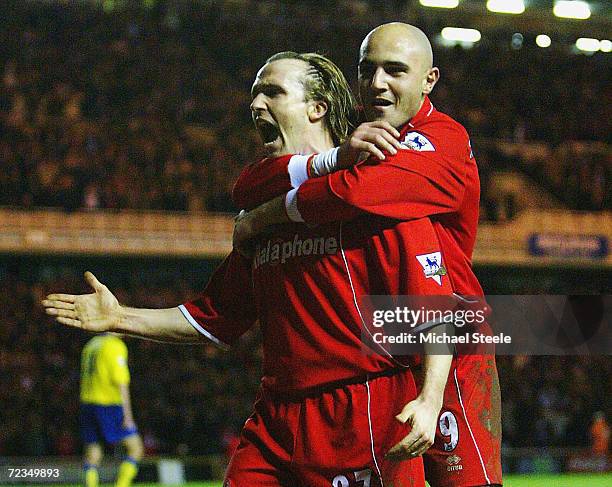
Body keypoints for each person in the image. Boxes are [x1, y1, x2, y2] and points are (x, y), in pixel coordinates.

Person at [43, 51, 454, 486]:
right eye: (255, 93)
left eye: (273, 92)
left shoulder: (376, 191)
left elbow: (434, 309)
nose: (256, 104)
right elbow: (215, 317)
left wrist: (430, 400)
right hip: (276, 418)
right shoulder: (263, 212)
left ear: (317, 108)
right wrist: (120, 317)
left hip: (362, 411)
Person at [233, 23, 502, 487]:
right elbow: (251, 182)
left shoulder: (443, 139)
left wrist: (265, 217)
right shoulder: (354, 129)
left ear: (429, 80)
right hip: (380, 353)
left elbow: (360, 193)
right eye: (367, 70)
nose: (377, 83)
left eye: (395, 71)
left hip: (449, 341)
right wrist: (327, 160)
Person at [79, 333, 144, 487]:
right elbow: (121, 382)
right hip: (108, 404)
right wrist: (127, 415)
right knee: (136, 448)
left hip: (87, 402)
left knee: (93, 453)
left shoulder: (92, 344)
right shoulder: (115, 345)